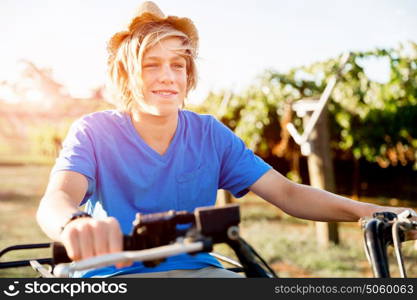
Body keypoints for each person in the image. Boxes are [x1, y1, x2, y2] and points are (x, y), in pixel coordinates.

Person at [36, 1, 417, 278]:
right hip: (113, 276)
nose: (167, 76)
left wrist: (369, 212)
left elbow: (287, 194)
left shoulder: (209, 134)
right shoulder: (94, 132)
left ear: (189, 75)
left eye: (178, 65)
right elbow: (57, 198)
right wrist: (73, 223)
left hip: (201, 274)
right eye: (151, 64)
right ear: (124, 74)